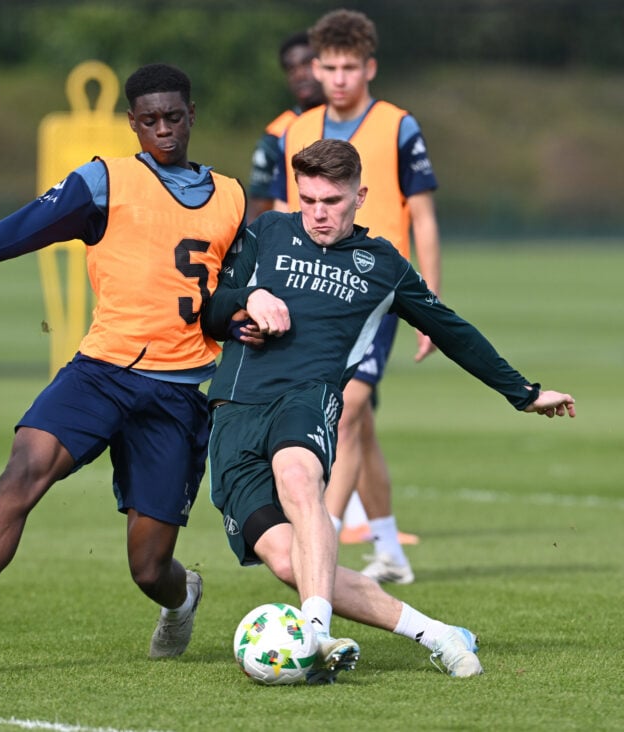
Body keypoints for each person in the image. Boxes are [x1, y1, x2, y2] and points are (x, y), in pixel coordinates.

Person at [0, 63, 246, 675]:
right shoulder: (104, 181)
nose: (163, 129)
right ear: (132, 123)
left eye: (174, 117)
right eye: (150, 120)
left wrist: (240, 318)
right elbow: (26, 226)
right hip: (99, 371)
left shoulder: (233, 198)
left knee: (149, 567)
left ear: (192, 116)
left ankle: (183, 598)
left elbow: (223, 300)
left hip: (178, 393)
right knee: (23, 470)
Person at [204, 139, 576, 683]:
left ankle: (314, 632)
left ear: (361, 195)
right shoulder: (265, 233)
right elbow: (208, 304)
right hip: (235, 409)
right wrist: (244, 301)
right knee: (290, 564)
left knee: (297, 476)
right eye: (307, 199)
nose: (318, 213)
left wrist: (522, 392)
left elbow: (451, 330)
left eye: (332, 200)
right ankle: (439, 634)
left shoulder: (382, 266)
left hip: (307, 397)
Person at [271, 8, 438, 583]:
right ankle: (390, 549)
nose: (339, 77)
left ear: (369, 68)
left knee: (345, 416)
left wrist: (430, 306)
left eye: (350, 67)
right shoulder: (292, 129)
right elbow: (276, 216)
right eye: (329, 66)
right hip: (309, 290)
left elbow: (424, 216)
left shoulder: (397, 125)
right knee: (359, 425)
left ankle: (322, 543)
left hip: (376, 293)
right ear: (314, 67)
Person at [246, 31, 325, 223]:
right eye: (291, 69)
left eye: (307, 64)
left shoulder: (357, 121)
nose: (299, 75)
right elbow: (259, 208)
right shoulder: (277, 134)